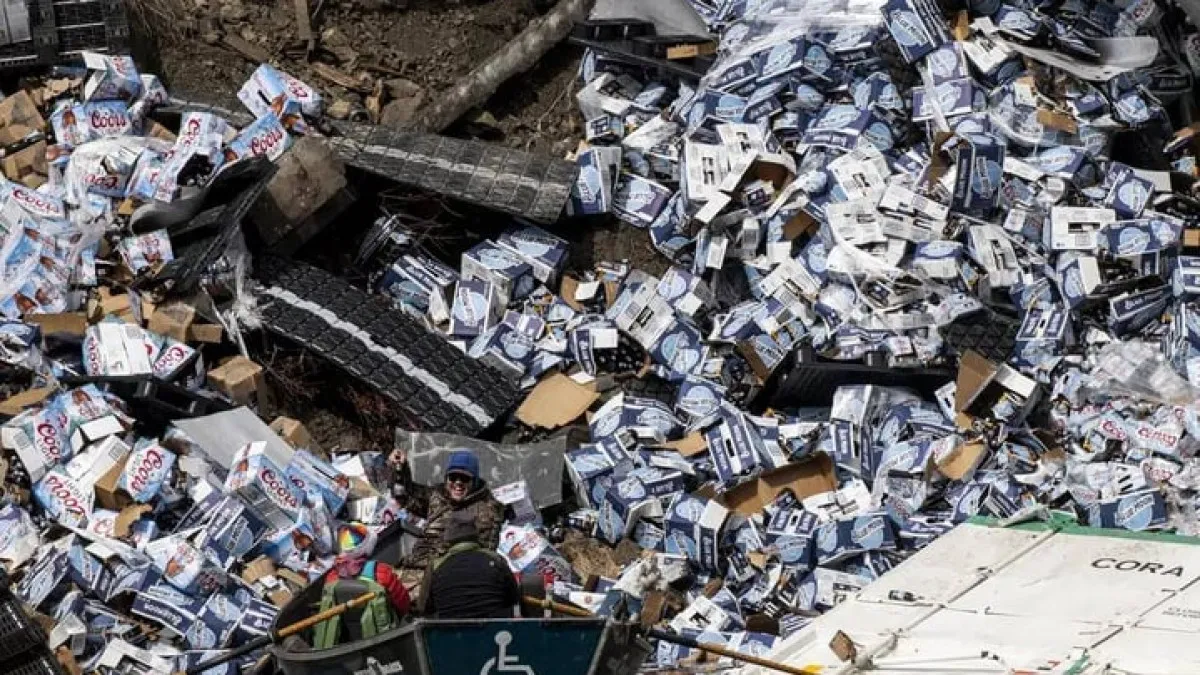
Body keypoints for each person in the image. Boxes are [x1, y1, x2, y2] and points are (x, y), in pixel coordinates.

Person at [394, 449, 505, 594]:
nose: (458, 483)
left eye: (464, 479)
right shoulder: (439, 496)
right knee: (377, 584)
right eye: (453, 477)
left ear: (474, 481)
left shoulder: (486, 511)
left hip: (444, 575)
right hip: (414, 565)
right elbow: (406, 497)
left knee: (398, 597)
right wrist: (400, 470)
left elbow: (482, 558)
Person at [312, 523, 411, 649]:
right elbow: (403, 605)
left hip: (345, 640)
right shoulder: (381, 573)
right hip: (382, 637)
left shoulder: (331, 578)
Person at [419, 512, 520, 619]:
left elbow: (423, 607)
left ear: (448, 537)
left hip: (451, 632)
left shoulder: (435, 566)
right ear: (475, 534)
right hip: (493, 631)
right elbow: (514, 597)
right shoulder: (496, 559)